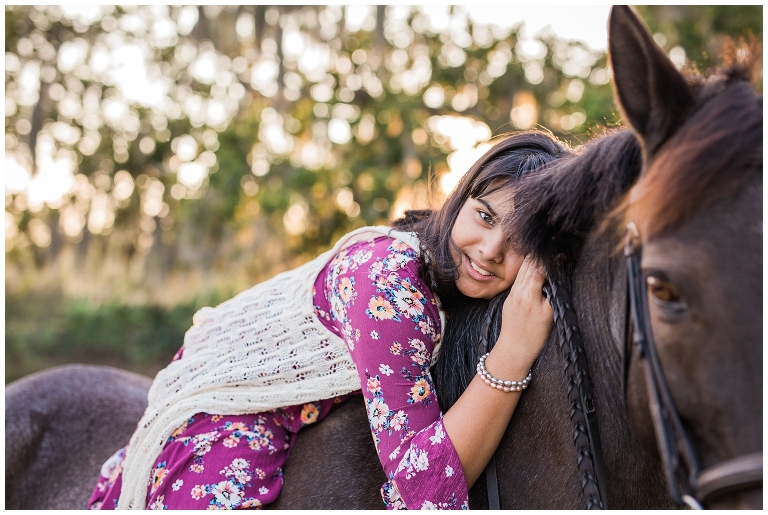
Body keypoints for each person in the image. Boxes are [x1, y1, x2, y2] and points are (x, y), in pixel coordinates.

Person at [88, 131, 567, 510]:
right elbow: (422, 487)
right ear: (459, 199)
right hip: (229, 403)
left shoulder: (454, 278)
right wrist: (513, 352)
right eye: (484, 216)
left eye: (521, 240)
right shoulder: (391, 284)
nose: (490, 251)